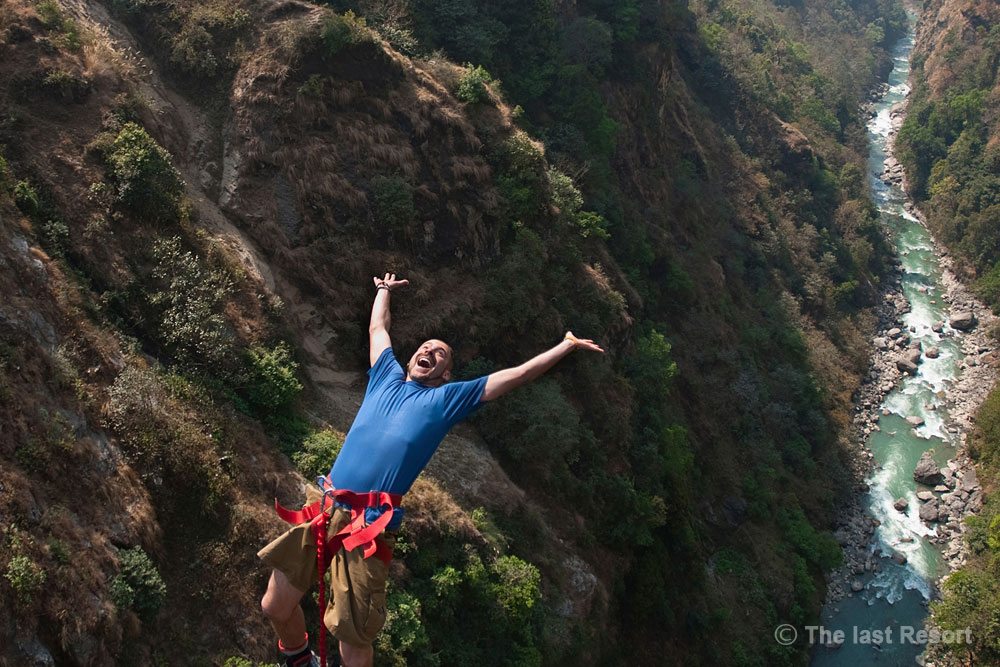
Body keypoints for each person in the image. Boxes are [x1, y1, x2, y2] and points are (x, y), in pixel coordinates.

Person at [259, 273, 604, 667]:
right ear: (410, 359)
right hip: (323, 505)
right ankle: (299, 660)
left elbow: (518, 375)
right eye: (426, 346)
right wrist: (384, 291)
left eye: (440, 353)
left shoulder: (446, 401)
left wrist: (566, 346)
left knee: (352, 640)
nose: (430, 350)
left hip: (365, 527)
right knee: (274, 606)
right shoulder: (384, 378)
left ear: (445, 375)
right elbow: (378, 327)